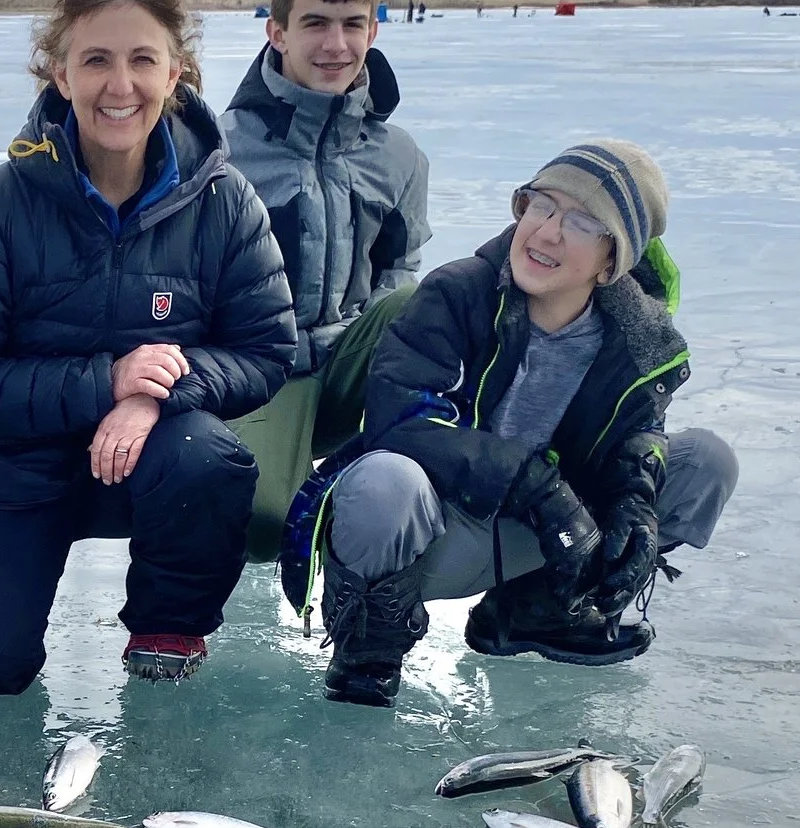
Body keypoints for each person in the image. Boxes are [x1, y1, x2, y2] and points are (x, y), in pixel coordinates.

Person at [0, 0, 295, 693]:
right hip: (17, 455)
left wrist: (154, 390)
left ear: (176, 71)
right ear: (61, 75)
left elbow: (266, 347)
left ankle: (167, 625)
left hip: (159, 452)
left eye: (142, 60)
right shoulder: (3, 202)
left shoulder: (224, 200)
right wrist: (106, 380)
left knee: (207, 459)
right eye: (96, 61)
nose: (120, 87)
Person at [290, 140, 737, 705]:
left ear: (611, 261)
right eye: (541, 205)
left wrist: (634, 507)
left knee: (705, 461)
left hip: (548, 538)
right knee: (383, 481)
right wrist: (535, 485)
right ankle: (368, 652)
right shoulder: (455, 295)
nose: (547, 232)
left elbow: (637, 438)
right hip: (439, 533)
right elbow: (401, 423)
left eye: (580, 222)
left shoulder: (640, 340)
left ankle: (546, 608)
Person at [222, 0, 430, 560]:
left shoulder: (400, 157)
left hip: (351, 363)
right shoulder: (221, 151)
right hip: (262, 370)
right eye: (315, 23)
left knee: (431, 300)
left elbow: (400, 269)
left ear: (374, 28)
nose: (335, 44)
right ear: (277, 30)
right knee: (258, 521)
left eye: (352, 24)